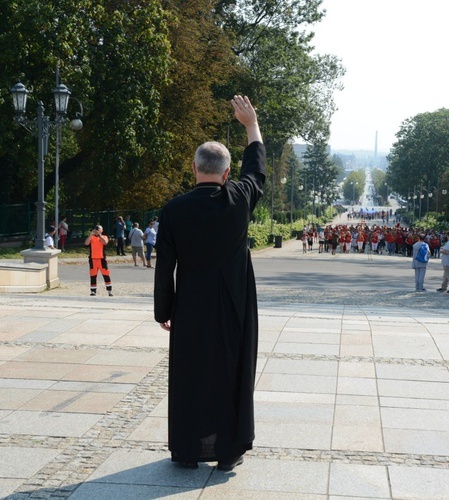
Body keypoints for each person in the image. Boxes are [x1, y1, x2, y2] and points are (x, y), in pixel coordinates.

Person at [154, 95, 264, 471]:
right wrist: (250, 125)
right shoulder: (239, 199)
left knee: (190, 376)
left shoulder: (173, 210)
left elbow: (164, 265)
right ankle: (229, 451)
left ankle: (187, 449)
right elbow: (257, 170)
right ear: (227, 172)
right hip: (234, 305)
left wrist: (163, 311)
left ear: (194, 168)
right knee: (232, 374)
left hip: (190, 305)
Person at [84, 225, 113, 296]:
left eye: (99, 228)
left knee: (106, 274)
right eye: (96, 229)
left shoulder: (104, 237)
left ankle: (109, 290)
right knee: (93, 275)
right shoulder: (92, 237)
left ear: (101, 230)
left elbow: (105, 243)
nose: (97, 230)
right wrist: (91, 235)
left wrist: (99, 236)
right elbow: (86, 243)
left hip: (101, 259)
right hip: (93, 259)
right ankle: (93, 291)